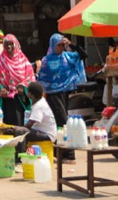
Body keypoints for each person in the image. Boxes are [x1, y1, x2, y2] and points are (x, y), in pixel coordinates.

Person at [37, 33, 87, 163]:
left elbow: (83, 55)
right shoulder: (46, 60)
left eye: (62, 44)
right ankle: (65, 154)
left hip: (64, 93)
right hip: (52, 94)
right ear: (53, 45)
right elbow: (41, 77)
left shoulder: (68, 57)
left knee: (63, 123)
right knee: (60, 122)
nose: (61, 47)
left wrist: (71, 45)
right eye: (59, 45)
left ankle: (67, 154)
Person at [0, 34, 35, 126]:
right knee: (5, 128)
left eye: (11, 44)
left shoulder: (24, 61)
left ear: (16, 45)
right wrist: (0, 88)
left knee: (19, 127)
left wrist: (23, 86)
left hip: (19, 101)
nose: (9, 47)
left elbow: (30, 79)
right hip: (4, 101)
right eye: (6, 44)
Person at [12, 81, 57, 159]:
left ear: (31, 94)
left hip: (47, 135)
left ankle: (21, 159)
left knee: (20, 132)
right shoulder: (39, 101)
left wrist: (17, 129)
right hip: (43, 132)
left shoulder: (39, 105)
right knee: (19, 131)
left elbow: (29, 125)